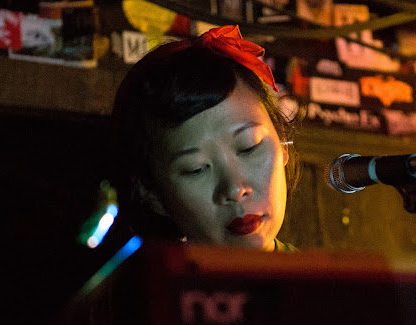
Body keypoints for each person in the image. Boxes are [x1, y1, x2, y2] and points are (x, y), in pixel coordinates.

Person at [112, 25, 299, 252]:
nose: (235, 189)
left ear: (282, 143)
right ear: (152, 194)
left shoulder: (332, 286)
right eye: (196, 169)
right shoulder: (144, 287)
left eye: (249, 147)